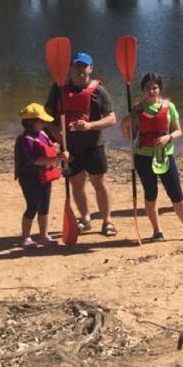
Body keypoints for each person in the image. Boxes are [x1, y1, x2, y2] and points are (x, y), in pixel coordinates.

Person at [122, 72, 183, 244]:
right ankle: (157, 231)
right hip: (143, 157)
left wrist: (168, 137)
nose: (151, 91)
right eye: (148, 88)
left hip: (165, 155)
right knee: (151, 194)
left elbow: (178, 130)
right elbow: (128, 132)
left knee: (176, 193)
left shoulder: (170, 107)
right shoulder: (137, 110)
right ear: (143, 90)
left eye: (154, 88)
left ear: (159, 89)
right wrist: (127, 122)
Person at [44, 52, 118, 237]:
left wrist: (89, 125)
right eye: (77, 66)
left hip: (94, 146)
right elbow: (46, 117)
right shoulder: (58, 89)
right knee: (77, 184)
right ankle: (85, 219)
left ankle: (107, 221)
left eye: (84, 66)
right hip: (69, 148)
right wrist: (54, 131)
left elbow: (112, 119)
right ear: (70, 68)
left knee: (99, 183)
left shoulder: (98, 91)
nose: (80, 70)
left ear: (90, 69)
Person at [13, 103, 66, 248]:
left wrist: (60, 137)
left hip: (45, 177)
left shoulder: (42, 134)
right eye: (41, 121)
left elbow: (52, 143)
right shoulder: (26, 140)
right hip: (30, 178)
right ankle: (25, 238)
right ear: (31, 123)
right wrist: (59, 158)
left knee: (44, 207)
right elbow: (37, 160)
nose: (44, 124)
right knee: (32, 206)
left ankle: (43, 236)